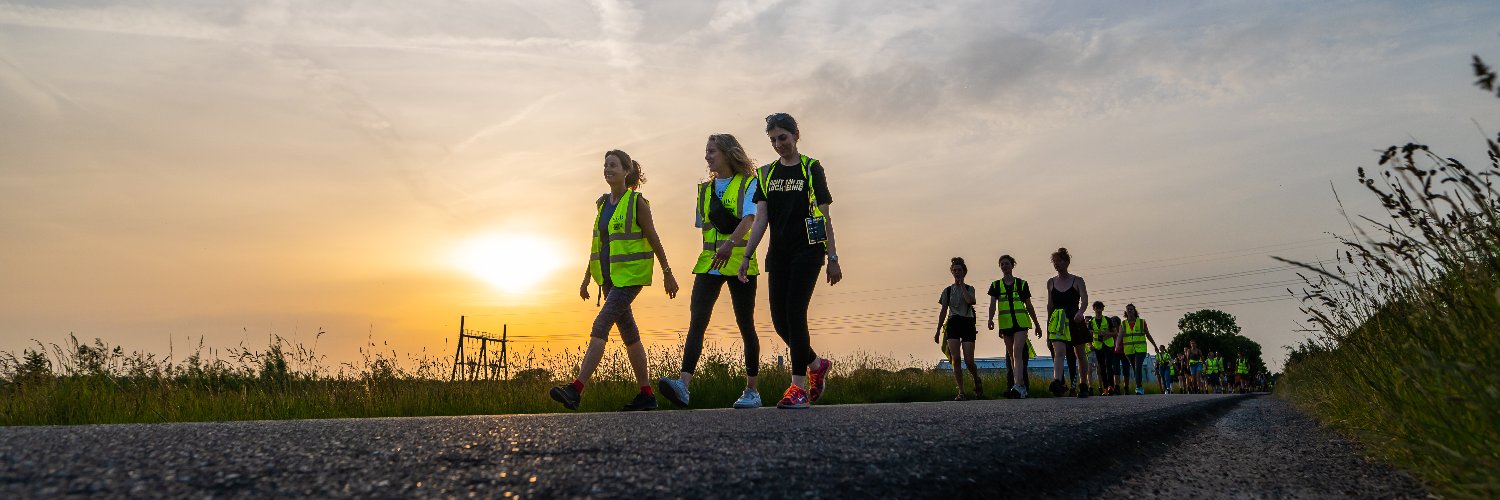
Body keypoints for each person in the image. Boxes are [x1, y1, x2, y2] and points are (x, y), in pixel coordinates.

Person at [551, 150, 680, 411]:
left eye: (613, 165)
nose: (607, 169)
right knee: (629, 334)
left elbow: (653, 237)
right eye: (605, 165)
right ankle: (647, 394)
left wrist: (667, 271)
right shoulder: (602, 205)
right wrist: (587, 278)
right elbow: (600, 244)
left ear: (626, 171)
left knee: (601, 324)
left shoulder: (636, 202)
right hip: (609, 280)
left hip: (629, 278)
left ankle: (576, 389)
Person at [739, 112, 842, 409]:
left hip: (808, 251)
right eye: (773, 140)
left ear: (796, 134)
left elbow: (824, 215)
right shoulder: (766, 174)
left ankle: (797, 387)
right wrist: (747, 256)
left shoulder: (811, 169)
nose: (778, 144)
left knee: (796, 313)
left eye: (782, 137)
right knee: (780, 320)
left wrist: (832, 256)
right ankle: (815, 364)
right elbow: (760, 219)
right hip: (779, 253)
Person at [659, 134, 764, 409]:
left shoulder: (749, 184)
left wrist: (730, 245)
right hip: (709, 263)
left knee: (745, 324)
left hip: (740, 261)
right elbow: (704, 226)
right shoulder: (703, 191)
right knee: (697, 321)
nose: (707, 156)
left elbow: (750, 218)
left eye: (712, 151)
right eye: (706, 151)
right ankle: (684, 385)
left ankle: (752, 390)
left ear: (728, 153)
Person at [987, 254, 1041, 399]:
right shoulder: (995, 285)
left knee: (1017, 353)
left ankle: (1018, 385)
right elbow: (992, 304)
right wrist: (990, 319)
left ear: (1012, 265)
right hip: (1006, 324)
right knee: (1012, 355)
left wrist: (1036, 324)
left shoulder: (1021, 284)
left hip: (1021, 323)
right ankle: (1020, 386)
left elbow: (1028, 305)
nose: (1004, 266)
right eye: (1002, 264)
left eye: (1007, 264)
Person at [1045, 248, 1090, 398]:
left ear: (1066, 262)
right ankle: (1057, 381)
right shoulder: (1051, 282)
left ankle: (1084, 385)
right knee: (1059, 352)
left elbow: (1084, 300)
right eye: (1054, 261)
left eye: (1059, 261)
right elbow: (1050, 306)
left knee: (1080, 353)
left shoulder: (1077, 280)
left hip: (1074, 317)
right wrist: (1047, 327)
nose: (1056, 264)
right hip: (1057, 319)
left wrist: (1080, 312)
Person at [935, 257, 981, 400]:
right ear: (952, 272)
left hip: (967, 323)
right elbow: (943, 311)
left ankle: (976, 379)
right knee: (956, 359)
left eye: (959, 270)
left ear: (964, 272)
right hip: (953, 323)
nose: (957, 272)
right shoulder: (947, 291)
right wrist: (937, 330)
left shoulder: (969, 288)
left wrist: (961, 285)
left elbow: (971, 301)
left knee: (968, 360)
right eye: (954, 270)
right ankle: (961, 391)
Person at [1118, 304, 1160, 395]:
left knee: (1138, 366)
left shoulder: (1141, 322)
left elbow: (1148, 334)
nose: (1129, 310)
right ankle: (1139, 385)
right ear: (1126, 312)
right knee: (1134, 368)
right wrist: (1117, 345)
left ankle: (1139, 387)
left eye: (1131, 309)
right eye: (1128, 309)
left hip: (1141, 349)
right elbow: (1120, 335)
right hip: (1129, 350)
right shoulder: (1123, 324)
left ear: (1134, 310)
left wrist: (1155, 346)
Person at [1087, 301, 1119, 396]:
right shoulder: (1091, 322)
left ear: (1103, 309)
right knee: (1101, 367)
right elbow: (1088, 336)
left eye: (1100, 308)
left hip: (1108, 345)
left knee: (1109, 365)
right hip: (1097, 346)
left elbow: (1115, 333)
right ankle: (1105, 388)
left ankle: (1111, 387)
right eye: (1096, 308)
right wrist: (1090, 344)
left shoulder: (1108, 320)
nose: (1098, 310)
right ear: (1094, 309)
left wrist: (1107, 334)